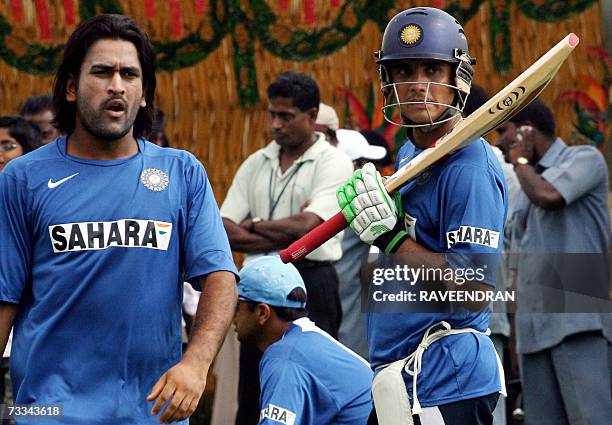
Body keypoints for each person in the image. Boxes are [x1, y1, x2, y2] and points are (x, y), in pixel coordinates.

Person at [0, 14, 238, 424]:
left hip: (151, 413)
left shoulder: (182, 172)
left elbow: (220, 277)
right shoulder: (22, 178)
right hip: (47, 411)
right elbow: (4, 298)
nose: (117, 85)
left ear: (143, 93)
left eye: (130, 74)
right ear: (72, 87)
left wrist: (196, 364)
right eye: (102, 72)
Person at [335, 7, 507, 424]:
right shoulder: (412, 151)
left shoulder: (470, 168)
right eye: (404, 71)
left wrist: (391, 238)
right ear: (387, 81)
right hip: (404, 377)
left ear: (457, 78)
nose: (419, 85)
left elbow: (474, 290)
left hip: (448, 376)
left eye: (433, 69)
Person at [221, 71, 353, 424]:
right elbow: (222, 229)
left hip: (310, 282)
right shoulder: (256, 162)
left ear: (312, 116)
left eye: (286, 116)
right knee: (252, 389)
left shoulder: (334, 162)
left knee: (312, 385)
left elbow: (312, 227)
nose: (276, 125)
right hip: (257, 288)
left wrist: (254, 226)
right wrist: (287, 232)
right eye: (272, 114)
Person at [496, 99, 612, 425]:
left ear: (527, 131)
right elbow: (516, 269)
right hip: (533, 335)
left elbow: (550, 198)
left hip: (577, 324)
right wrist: (518, 338)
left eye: (505, 131)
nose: (500, 141)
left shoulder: (584, 159)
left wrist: (519, 160)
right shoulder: (523, 191)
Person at [234, 256, 373, 425]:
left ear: (262, 312)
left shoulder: (284, 357)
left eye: (236, 306)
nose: (232, 316)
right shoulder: (305, 339)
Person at [333, 129, 387, 359]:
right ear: (354, 164)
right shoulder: (361, 200)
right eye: (366, 163)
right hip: (348, 309)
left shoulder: (318, 196)